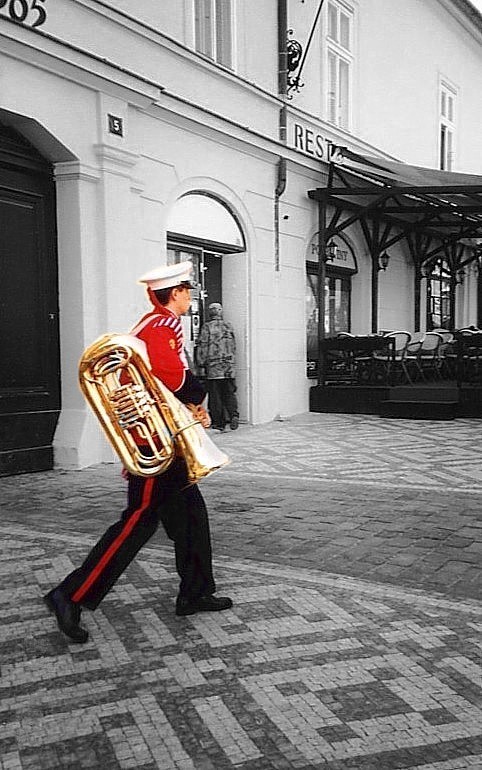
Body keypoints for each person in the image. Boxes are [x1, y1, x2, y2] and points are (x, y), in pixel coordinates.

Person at [44, 262, 232, 644]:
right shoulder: (161, 326)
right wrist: (197, 398)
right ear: (176, 293)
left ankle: (195, 592)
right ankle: (70, 594)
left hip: (163, 438)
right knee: (138, 522)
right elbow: (171, 374)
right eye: (188, 291)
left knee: (192, 517)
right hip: (156, 444)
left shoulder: (153, 325)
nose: (191, 297)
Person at [196, 302, 239, 432]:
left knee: (215, 396)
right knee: (229, 393)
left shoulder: (207, 327)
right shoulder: (228, 326)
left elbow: (203, 345)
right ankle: (233, 415)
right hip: (229, 367)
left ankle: (219, 423)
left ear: (210, 313)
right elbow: (233, 345)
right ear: (220, 312)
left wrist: (200, 363)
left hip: (214, 367)